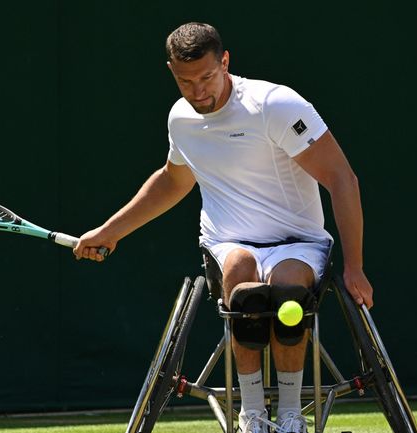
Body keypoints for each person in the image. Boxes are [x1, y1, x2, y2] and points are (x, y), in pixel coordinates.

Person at [73, 22, 374, 433]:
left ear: (225, 61)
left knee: (287, 287)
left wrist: (354, 267)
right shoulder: (181, 119)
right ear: (171, 72)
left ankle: (289, 416)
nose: (198, 92)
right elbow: (173, 180)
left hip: (298, 245)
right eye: (185, 81)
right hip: (228, 244)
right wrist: (111, 230)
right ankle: (251, 414)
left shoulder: (275, 106)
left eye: (207, 78)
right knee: (241, 276)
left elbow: (342, 179)